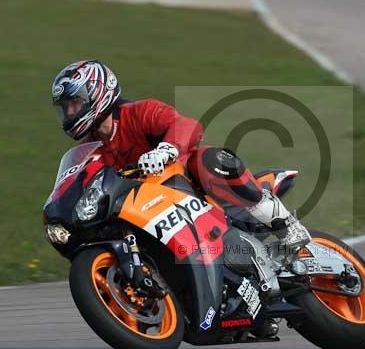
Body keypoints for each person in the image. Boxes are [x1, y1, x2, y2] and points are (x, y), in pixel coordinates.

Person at [51, 59, 311, 251]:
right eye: (66, 108)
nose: (70, 113)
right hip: (149, 208)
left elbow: (186, 125)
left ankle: (285, 225)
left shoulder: (139, 112)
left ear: (97, 94)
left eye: (75, 104)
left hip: (188, 187)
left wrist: (166, 150)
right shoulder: (91, 147)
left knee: (209, 159)